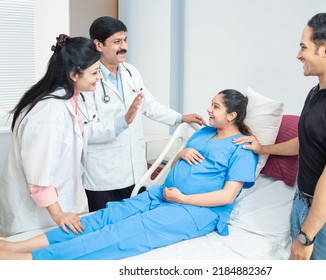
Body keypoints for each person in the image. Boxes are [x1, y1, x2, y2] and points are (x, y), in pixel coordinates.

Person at [0, 89, 258, 260]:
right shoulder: (203, 133)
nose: (209, 110)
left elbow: (227, 196)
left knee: (124, 231)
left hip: (195, 211)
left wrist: (182, 199)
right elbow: (185, 157)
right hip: (163, 195)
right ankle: (18, 245)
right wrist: (180, 154)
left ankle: (29, 259)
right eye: (211, 104)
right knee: (107, 216)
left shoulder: (242, 148)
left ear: (232, 115)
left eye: (216, 106)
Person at [234, 12, 326, 260]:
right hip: (303, 206)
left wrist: (306, 236)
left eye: (303, 47)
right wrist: (262, 149)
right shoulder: (316, 93)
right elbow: (306, 142)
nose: (298, 54)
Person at [79, 16, 207, 212]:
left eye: (125, 40)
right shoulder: (86, 79)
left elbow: (150, 106)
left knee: (133, 221)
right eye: (117, 42)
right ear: (98, 45)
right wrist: (123, 121)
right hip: (104, 175)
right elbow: (85, 130)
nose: (124, 47)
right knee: (104, 227)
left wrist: (180, 117)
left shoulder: (131, 72)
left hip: (135, 170)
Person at [0, 35, 105, 237]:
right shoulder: (48, 112)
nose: (99, 77)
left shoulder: (69, 99)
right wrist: (59, 214)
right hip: (38, 218)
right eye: (94, 72)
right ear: (74, 74)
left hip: (61, 204)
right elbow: (39, 175)